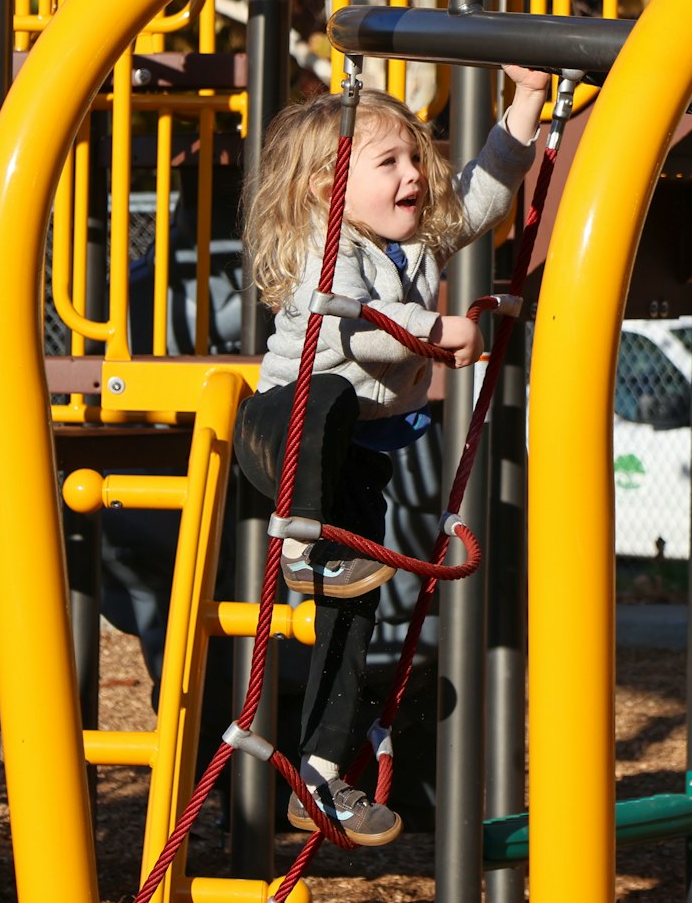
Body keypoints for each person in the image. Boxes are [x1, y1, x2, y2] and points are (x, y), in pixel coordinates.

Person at [235, 67, 550, 846]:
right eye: (390, 163)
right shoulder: (328, 242)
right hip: (284, 439)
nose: (414, 174)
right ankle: (307, 547)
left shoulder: (411, 242)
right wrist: (437, 332)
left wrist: (526, 105)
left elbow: (481, 193)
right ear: (327, 184)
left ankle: (319, 770)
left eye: (415, 157)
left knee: (353, 625)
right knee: (332, 397)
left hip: (356, 464)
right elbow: (355, 329)